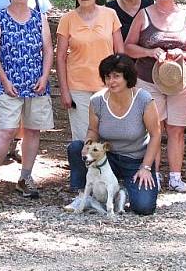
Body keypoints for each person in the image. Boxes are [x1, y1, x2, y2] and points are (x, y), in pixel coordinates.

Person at [0, 0, 54, 202]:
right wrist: (4, 80)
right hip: (9, 85)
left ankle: (26, 177)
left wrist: (45, 76)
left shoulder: (40, 18)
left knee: (32, 129)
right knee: (6, 130)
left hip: (36, 83)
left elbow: (48, 49)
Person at [125, 0, 186, 193]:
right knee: (153, 127)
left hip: (179, 81)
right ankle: (154, 174)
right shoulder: (144, 14)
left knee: (176, 129)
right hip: (148, 79)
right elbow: (128, 46)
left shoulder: (185, 16)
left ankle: (175, 177)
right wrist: (149, 52)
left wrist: (183, 54)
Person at [67, 55, 161, 215]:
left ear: (127, 77)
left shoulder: (143, 99)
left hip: (135, 160)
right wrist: (88, 144)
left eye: (117, 76)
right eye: (108, 77)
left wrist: (145, 167)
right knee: (76, 148)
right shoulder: (97, 100)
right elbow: (93, 130)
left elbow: (156, 134)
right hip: (107, 157)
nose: (111, 81)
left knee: (144, 207)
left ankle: (124, 192)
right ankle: (83, 195)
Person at [57, 0, 123, 146]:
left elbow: (120, 52)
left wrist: (122, 83)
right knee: (82, 136)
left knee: (110, 134)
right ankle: (83, 172)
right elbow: (61, 56)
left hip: (109, 84)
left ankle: (108, 173)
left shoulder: (110, 15)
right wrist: (64, 90)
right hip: (78, 86)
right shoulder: (67, 19)